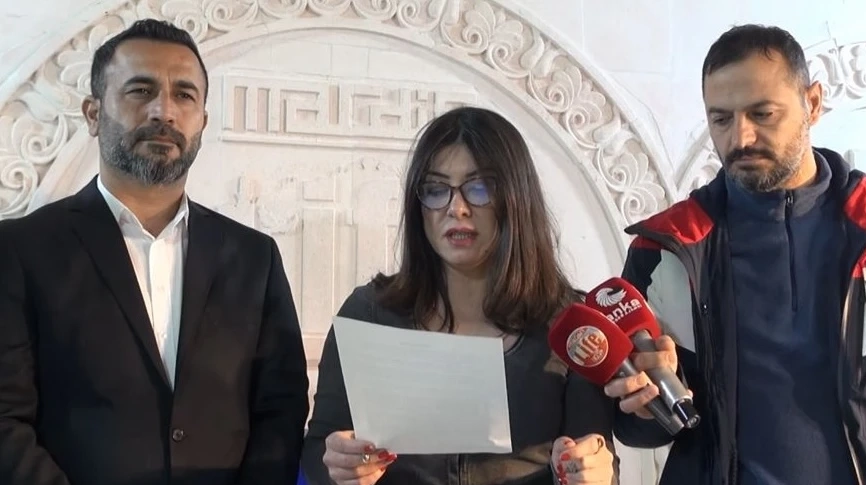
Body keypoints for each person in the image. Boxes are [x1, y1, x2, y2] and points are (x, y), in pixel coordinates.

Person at [0, 19, 310, 485]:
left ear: (202, 121)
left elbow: (281, 410)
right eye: (140, 90)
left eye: (184, 95)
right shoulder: (22, 249)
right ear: (92, 113)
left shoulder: (254, 258)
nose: (164, 111)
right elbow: (5, 419)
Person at [604, 23, 866, 485]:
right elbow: (634, 427)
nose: (741, 138)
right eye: (721, 119)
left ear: (813, 103)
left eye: (762, 113)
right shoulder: (665, 249)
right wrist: (647, 406)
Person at [301, 106, 618, 485]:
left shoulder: (572, 325)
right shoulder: (368, 313)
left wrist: (593, 471)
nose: (457, 208)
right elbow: (319, 450)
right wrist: (338, 465)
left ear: (515, 199)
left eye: (479, 187)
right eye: (436, 190)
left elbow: (599, 461)